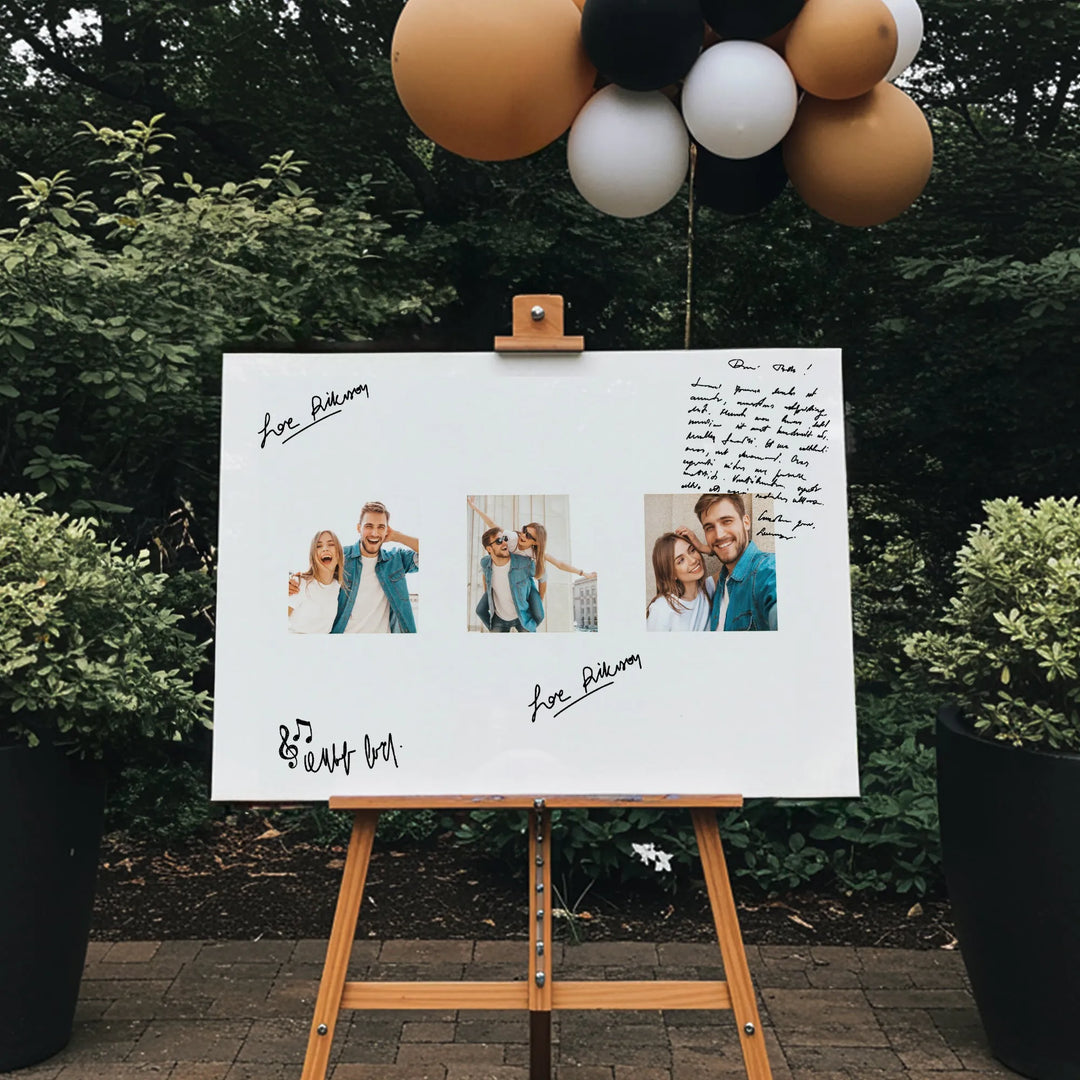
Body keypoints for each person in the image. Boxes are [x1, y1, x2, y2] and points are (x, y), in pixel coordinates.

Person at [677, 493, 777, 631]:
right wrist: (710, 549)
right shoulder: (720, 582)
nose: (719, 535)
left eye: (727, 521)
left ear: (746, 522)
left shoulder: (767, 569)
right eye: (709, 527)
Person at [467, 497, 587, 601]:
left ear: (536, 542)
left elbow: (559, 564)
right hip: (508, 565)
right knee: (486, 561)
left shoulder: (534, 552)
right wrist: (474, 507)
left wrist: (583, 573)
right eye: (524, 530)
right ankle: (488, 595)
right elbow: (492, 524)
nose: (523, 535)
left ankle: (538, 601)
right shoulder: (512, 538)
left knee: (542, 572)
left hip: (520, 570)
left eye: (528, 536)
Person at [329, 501, 420, 633]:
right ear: (359, 528)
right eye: (369, 526)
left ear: (387, 530)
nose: (374, 533)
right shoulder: (341, 556)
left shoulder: (396, 559)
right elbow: (316, 576)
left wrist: (397, 536)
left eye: (381, 527)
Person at [476, 526, 543, 632]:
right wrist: (488, 592)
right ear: (489, 549)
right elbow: (485, 574)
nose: (504, 543)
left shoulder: (524, 563)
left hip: (522, 618)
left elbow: (543, 576)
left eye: (504, 539)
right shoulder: (485, 562)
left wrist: (539, 601)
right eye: (499, 541)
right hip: (499, 618)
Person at [645, 532, 715, 631]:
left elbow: (732, 563)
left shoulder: (708, 588)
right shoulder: (662, 608)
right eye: (681, 560)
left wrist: (705, 548)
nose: (693, 560)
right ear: (671, 574)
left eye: (692, 550)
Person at [287, 530, 344, 634]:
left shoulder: (338, 587)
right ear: (313, 556)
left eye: (331, 544)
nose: (325, 549)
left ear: (339, 554)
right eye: (318, 546)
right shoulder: (299, 583)